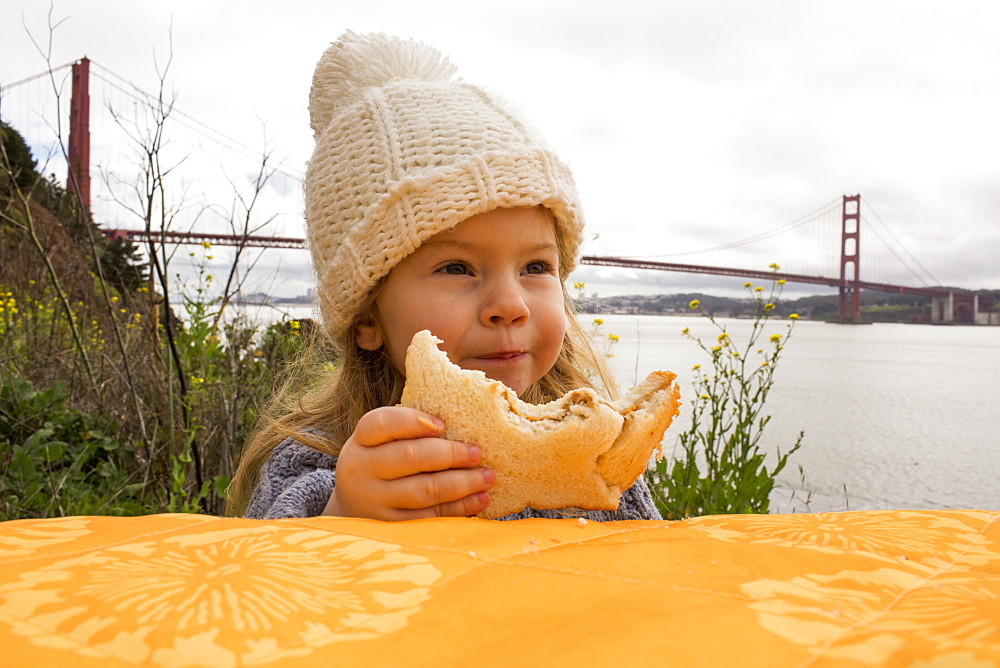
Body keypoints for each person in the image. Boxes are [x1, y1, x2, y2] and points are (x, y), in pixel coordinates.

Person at [226, 30, 660, 521]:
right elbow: (270, 580)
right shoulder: (317, 464)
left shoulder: (596, 450)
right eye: (457, 267)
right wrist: (344, 514)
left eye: (536, 267)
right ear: (367, 315)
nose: (511, 305)